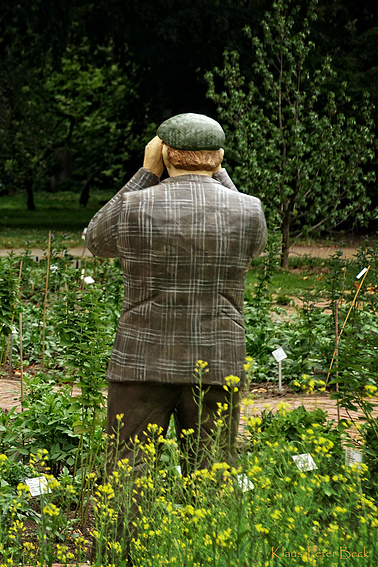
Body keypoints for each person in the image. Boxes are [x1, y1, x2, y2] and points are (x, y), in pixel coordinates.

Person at [85, 113, 268, 473]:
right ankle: (204, 532)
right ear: (218, 157)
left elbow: (95, 239)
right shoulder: (249, 209)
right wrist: (218, 173)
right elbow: (256, 244)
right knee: (213, 469)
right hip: (218, 359)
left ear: (165, 153)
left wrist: (146, 173)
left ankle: (127, 532)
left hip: (142, 359)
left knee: (129, 466)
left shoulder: (134, 206)